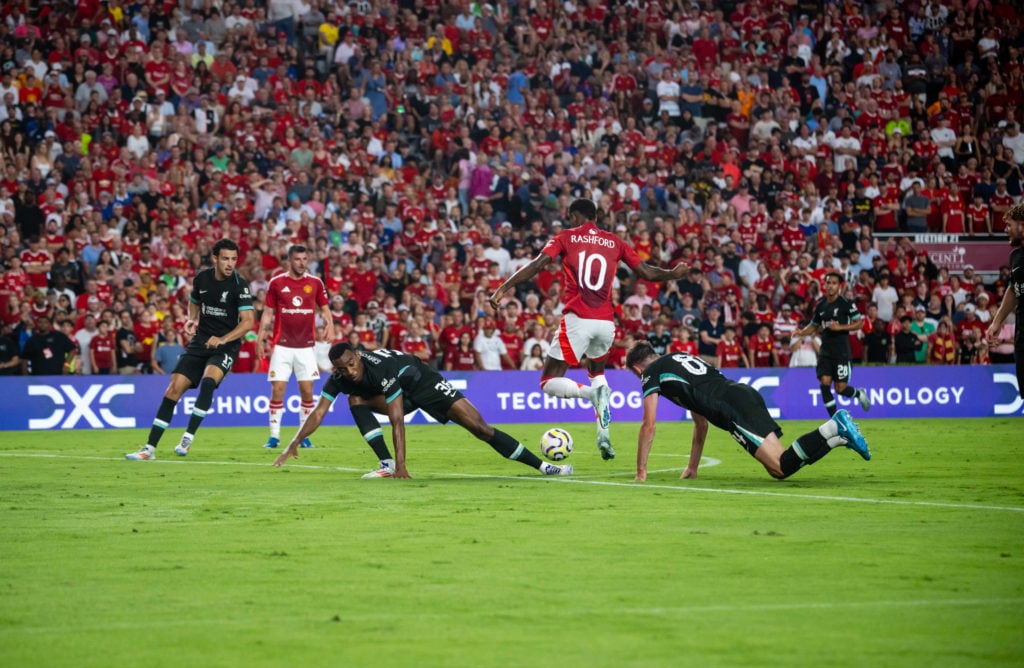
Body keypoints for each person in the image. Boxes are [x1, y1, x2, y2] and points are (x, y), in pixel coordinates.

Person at [487, 198, 687, 461]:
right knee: (597, 373)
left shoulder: (566, 237)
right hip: (606, 323)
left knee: (548, 382)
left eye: (570, 217)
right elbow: (647, 273)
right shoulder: (615, 241)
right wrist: (673, 273)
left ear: (574, 216)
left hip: (578, 318)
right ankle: (604, 435)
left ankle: (592, 395)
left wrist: (503, 287)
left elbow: (537, 265)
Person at [272, 343, 573, 479]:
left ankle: (545, 467)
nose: (349, 372)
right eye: (342, 368)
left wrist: (407, 466)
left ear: (358, 356)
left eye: (352, 364)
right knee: (355, 399)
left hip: (423, 382)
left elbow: (396, 420)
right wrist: (294, 442)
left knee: (481, 429)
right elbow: (319, 412)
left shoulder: (380, 369)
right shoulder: (339, 377)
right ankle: (386, 463)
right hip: (398, 393)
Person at [625, 342, 871, 482]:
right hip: (743, 393)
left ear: (637, 369)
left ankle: (833, 425)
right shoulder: (678, 357)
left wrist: (641, 472)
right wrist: (692, 467)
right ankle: (838, 438)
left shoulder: (650, 372)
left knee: (781, 467)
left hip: (732, 408)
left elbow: (649, 425)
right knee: (778, 466)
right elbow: (701, 423)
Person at [126, 239, 254, 460]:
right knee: (172, 390)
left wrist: (222, 340)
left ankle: (187, 438)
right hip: (200, 342)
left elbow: (248, 322)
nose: (230, 263)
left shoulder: (239, 285)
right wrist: (192, 319)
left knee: (208, 381)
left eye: (233, 259)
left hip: (226, 346)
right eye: (225, 258)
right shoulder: (202, 278)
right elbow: (195, 301)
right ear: (215, 258)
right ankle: (149, 449)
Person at [256, 245, 333, 449]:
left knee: (307, 391)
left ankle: (303, 436)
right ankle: (274, 437)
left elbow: (325, 309)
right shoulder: (277, 283)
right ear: (289, 261)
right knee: (278, 390)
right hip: (281, 346)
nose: (301, 263)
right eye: (297, 259)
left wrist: (330, 325)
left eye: (305, 259)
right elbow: (267, 313)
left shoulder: (315, 283)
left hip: (306, 346)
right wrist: (260, 336)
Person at [791, 272, 871, 417]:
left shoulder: (846, 303)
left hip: (841, 352)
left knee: (840, 389)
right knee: (824, 382)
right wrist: (801, 332)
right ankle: (836, 419)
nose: (830, 286)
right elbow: (814, 325)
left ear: (839, 286)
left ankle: (859, 394)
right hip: (825, 351)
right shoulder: (820, 305)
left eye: (834, 283)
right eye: (828, 283)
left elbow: (859, 323)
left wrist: (840, 327)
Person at [986, 204, 1024, 398]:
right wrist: (997, 322)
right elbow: (1013, 289)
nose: (1005, 229)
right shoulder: (1016, 256)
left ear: (1022, 226)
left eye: (1009, 225)